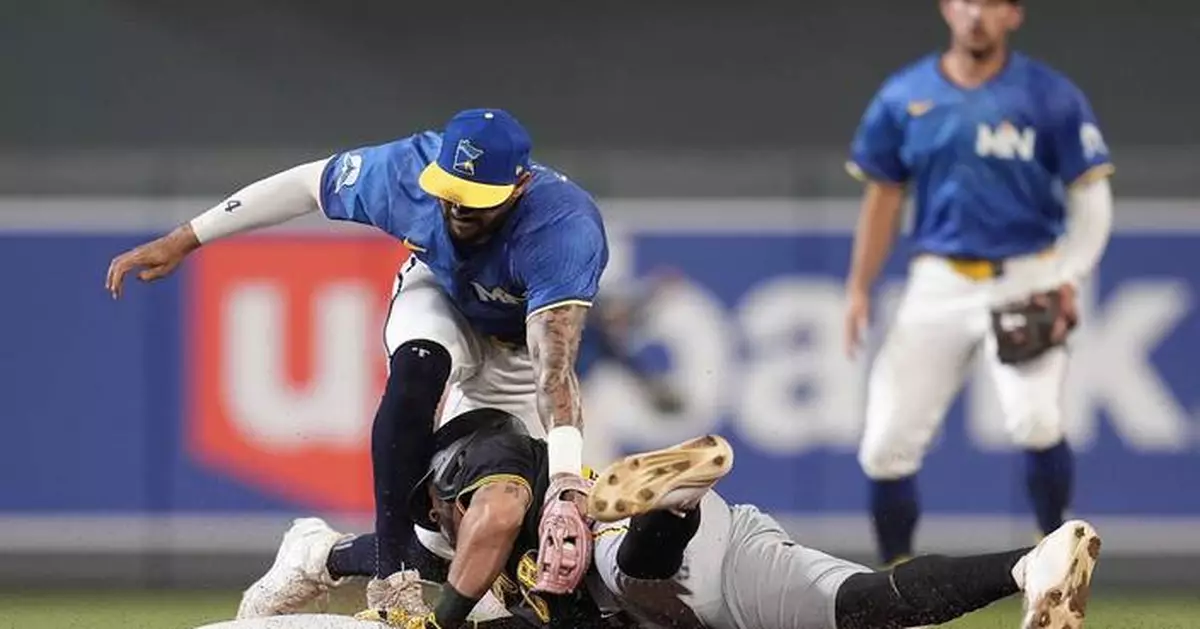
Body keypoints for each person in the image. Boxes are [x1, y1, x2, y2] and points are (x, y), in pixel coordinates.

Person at [104, 108, 608, 611]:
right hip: (441, 297)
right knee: (418, 365)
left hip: (519, 356)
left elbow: (553, 368)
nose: (456, 208)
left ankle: (320, 555)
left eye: (475, 199)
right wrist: (185, 239)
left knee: (470, 543)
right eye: (449, 189)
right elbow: (306, 185)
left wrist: (565, 479)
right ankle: (393, 577)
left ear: (518, 187)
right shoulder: (407, 173)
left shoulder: (562, 229)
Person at [221, 407, 1100, 629]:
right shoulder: (437, 543)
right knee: (868, 606)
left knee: (613, 565)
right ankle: (1032, 563)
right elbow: (381, 555)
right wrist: (327, 557)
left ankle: (660, 510)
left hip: (648, 560)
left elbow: (478, 539)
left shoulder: (501, 512)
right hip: (724, 548)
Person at [843, 0, 1115, 566]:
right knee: (884, 446)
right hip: (937, 280)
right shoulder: (905, 94)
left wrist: (1067, 279)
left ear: (1013, 14)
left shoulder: (1048, 94)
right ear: (947, 8)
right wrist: (858, 288)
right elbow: (883, 197)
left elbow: (1091, 198)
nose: (976, 15)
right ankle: (895, 582)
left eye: (992, 3)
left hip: (1027, 273)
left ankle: (1057, 561)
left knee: (1037, 420)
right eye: (966, 1)